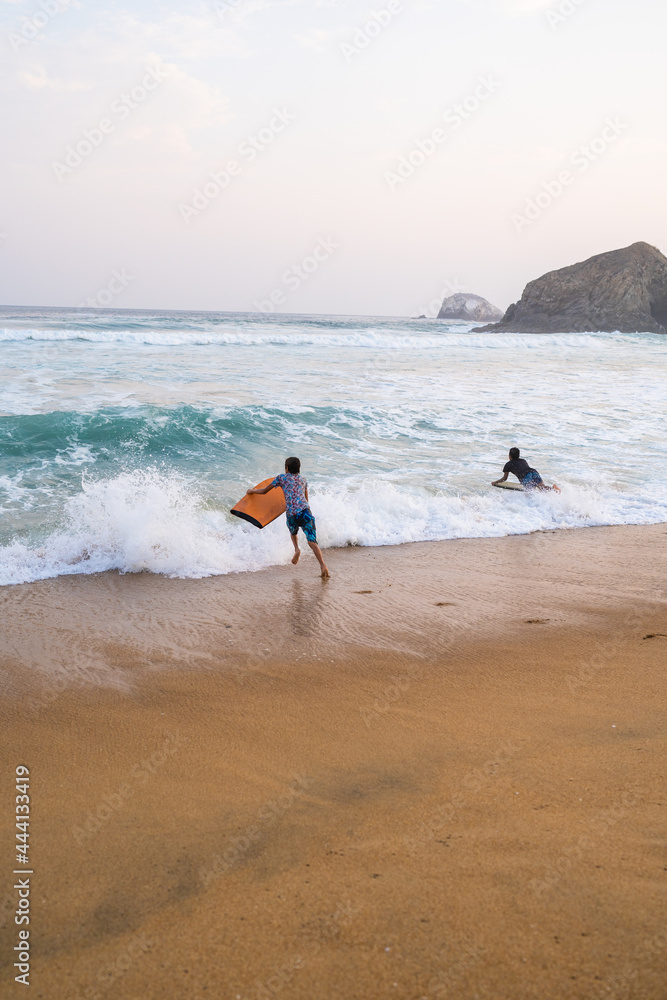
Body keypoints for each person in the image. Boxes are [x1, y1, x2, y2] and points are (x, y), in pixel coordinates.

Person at [246, 457, 330, 578]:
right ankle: (323, 565)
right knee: (312, 541)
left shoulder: (281, 478)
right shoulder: (303, 480)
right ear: (299, 469)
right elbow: (306, 500)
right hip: (306, 512)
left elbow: (264, 491)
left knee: (293, 532)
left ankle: (296, 549)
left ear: (286, 468)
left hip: (292, 514)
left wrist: (252, 491)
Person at [492, 447, 560, 492]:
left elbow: (504, 478)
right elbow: (523, 469)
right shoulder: (523, 460)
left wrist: (496, 482)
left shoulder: (508, 464)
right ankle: (553, 488)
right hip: (534, 472)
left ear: (509, 456)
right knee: (542, 488)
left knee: (531, 493)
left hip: (526, 477)